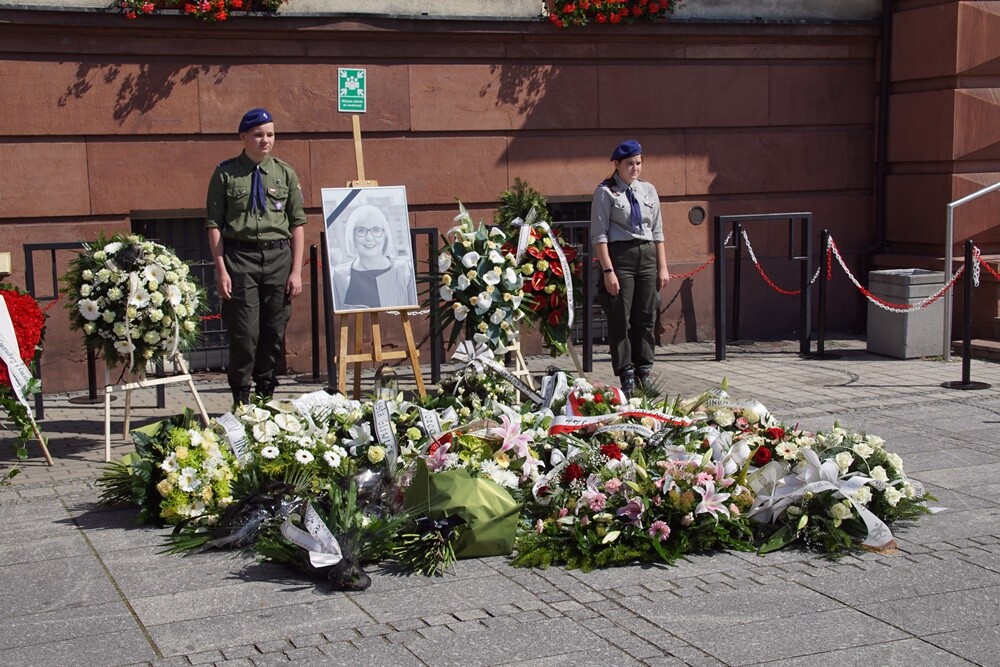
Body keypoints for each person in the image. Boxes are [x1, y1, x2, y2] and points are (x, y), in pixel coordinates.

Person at [205, 107, 307, 407]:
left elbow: (297, 223)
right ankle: (241, 399)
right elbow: (214, 224)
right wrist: (221, 269)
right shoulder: (225, 173)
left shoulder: (284, 172)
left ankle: (266, 398)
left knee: (274, 330)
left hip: (277, 258)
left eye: (271, 134)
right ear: (243, 136)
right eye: (259, 135)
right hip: (240, 258)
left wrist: (296, 271)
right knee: (245, 334)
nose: (266, 140)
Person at [590, 139, 670, 397]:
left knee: (647, 316)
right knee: (620, 317)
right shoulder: (606, 192)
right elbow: (599, 236)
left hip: (647, 256)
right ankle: (627, 374)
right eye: (629, 164)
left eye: (638, 163)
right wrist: (608, 271)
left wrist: (663, 267)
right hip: (620, 257)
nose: (634, 168)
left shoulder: (648, 190)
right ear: (617, 165)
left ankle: (644, 372)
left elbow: (657, 231)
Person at [331, 204, 417, 311]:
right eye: (361, 230)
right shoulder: (339, 276)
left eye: (376, 230)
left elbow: (414, 317)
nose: (369, 238)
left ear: (385, 235)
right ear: (351, 236)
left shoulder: (404, 270)